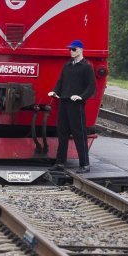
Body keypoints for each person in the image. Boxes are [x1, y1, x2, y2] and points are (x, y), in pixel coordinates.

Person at [48, 39, 96, 173]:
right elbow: (60, 81)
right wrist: (55, 92)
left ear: (81, 50)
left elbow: (91, 86)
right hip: (64, 102)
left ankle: (85, 164)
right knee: (62, 133)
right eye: (70, 49)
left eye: (73, 49)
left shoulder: (87, 67)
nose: (71, 51)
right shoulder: (67, 65)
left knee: (79, 134)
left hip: (76, 104)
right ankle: (60, 163)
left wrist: (82, 97)